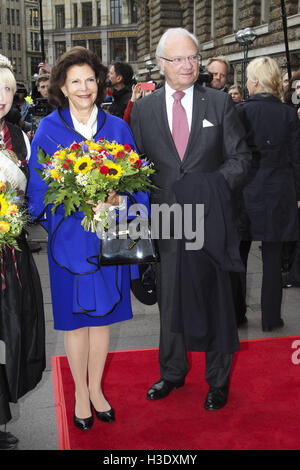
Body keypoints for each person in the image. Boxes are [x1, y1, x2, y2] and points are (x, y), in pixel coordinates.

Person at [131, 28, 251, 411]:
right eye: (179, 59)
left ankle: (217, 380)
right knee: (170, 296)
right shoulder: (145, 110)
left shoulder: (218, 103)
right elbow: (137, 169)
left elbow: (241, 159)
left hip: (210, 215)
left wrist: (213, 185)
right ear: (161, 64)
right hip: (166, 215)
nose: (188, 64)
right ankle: (172, 371)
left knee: (215, 297)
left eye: (193, 57)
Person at [27, 46, 145, 431]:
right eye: (75, 81)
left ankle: (97, 389)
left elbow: (138, 181)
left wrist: (118, 198)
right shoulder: (49, 130)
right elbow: (38, 191)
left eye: (90, 79)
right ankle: (80, 392)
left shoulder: (117, 128)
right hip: (70, 243)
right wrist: (77, 207)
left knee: (103, 320)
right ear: (61, 86)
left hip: (110, 236)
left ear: (100, 83)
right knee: (75, 322)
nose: (84, 88)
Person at [235, 56, 300, 331]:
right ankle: (271, 319)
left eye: (249, 77)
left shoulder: (240, 112)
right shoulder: (288, 114)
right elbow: (296, 157)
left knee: (238, 253)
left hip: (244, 189)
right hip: (278, 189)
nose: (247, 83)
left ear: (256, 81)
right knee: (273, 256)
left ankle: (236, 314)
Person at [0, 54, 45, 449]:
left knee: (11, 334)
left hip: (10, 252)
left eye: (8, 89)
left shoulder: (18, 136)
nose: (1, 96)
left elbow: (29, 194)